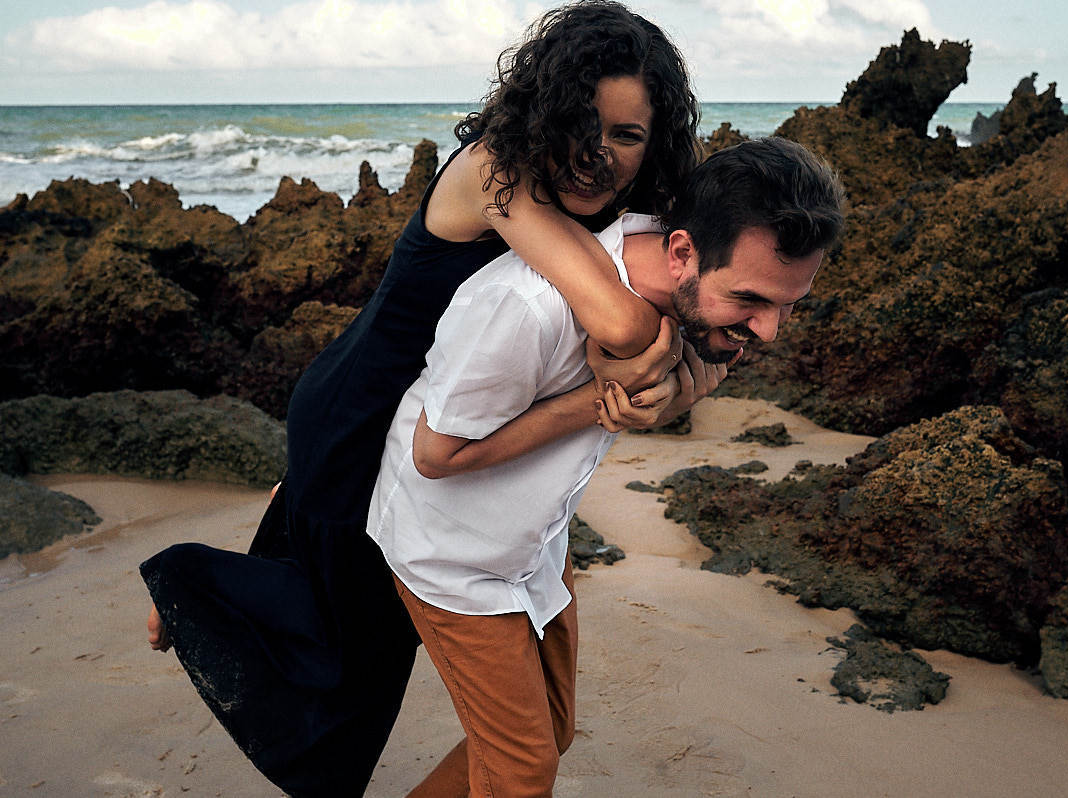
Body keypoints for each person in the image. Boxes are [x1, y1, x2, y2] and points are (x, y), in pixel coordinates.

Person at [139, 3, 700, 796]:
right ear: (543, 107)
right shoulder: (494, 170)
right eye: (580, 122)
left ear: (655, 142)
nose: (595, 153)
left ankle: (224, 580)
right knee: (343, 682)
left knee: (347, 642)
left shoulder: (598, 211)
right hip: (361, 415)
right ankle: (189, 587)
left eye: (626, 136)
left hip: (408, 417)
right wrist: (659, 353)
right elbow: (613, 316)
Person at [369, 136, 846, 796]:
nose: (768, 331)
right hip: (450, 553)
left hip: (533, 540)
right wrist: (596, 402)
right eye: (751, 302)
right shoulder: (527, 308)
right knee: (521, 768)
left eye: (788, 304)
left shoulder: (687, 275)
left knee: (549, 734)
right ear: (681, 253)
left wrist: (674, 390)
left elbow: (693, 376)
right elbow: (434, 456)